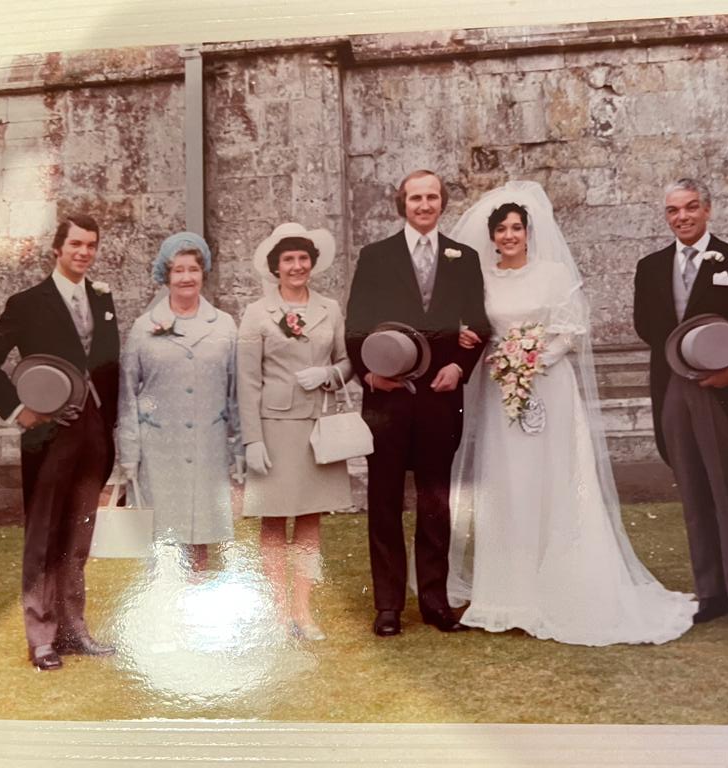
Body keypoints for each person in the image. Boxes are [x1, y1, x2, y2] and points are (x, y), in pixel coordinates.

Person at [447, 181, 695, 646]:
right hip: (502, 394)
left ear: (528, 231)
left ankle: (560, 585)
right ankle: (506, 593)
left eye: (516, 228)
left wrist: (535, 358)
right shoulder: (483, 279)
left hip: (549, 386)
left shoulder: (555, 274)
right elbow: (478, 330)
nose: (508, 236)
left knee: (554, 478)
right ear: (492, 235)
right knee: (509, 483)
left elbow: (572, 329)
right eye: (501, 229)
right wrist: (498, 356)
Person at [0, 213, 118, 670]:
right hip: (48, 438)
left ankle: (74, 631)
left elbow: (109, 366)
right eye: (75, 244)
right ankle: (42, 639)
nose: (84, 252)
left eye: (91, 245)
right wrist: (20, 412)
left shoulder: (102, 298)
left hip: (94, 435)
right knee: (42, 538)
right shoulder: (27, 302)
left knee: (79, 537)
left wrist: (110, 427)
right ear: (58, 248)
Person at [345, 169, 491, 637]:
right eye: (415, 198)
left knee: (435, 501)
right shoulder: (376, 256)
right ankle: (388, 605)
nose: (424, 205)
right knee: (384, 501)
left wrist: (460, 369)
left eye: (431, 197)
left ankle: (434, 602)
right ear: (401, 203)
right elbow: (355, 327)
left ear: (442, 203)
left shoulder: (464, 258)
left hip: (440, 398)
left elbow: (481, 323)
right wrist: (369, 374)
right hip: (387, 401)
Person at [632, 178, 728, 631]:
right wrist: (682, 352)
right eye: (672, 210)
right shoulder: (649, 267)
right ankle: (710, 593)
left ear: (707, 209)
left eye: (690, 208)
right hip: (672, 386)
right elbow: (645, 325)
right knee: (690, 490)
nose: (681, 217)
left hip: (718, 388)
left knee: (727, 491)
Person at [238, 222, 352, 641]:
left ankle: (303, 611)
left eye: (303, 258)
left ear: (312, 263)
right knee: (272, 522)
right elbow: (247, 380)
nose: (297, 265)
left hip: (315, 427)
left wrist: (328, 373)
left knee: (309, 521)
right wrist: (252, 439)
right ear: (275, 266)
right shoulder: (256, 313)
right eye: (288, 259)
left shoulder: (330, 308)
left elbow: (347, 362)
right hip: (273, 427)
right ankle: (276, 613)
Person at [117, 232, 241, 572]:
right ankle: (165, 618)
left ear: (204, 273)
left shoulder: (225, 326)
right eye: (178, 270)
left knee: (201, 538)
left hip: (208, 448)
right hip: (160, 452)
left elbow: (235, 394)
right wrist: (129, 456)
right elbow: (127, 396)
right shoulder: (144, 328)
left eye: (193, 269)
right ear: (165, 276)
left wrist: (239, 453)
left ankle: (195, 618)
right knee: (163, 545)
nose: (186, 277)